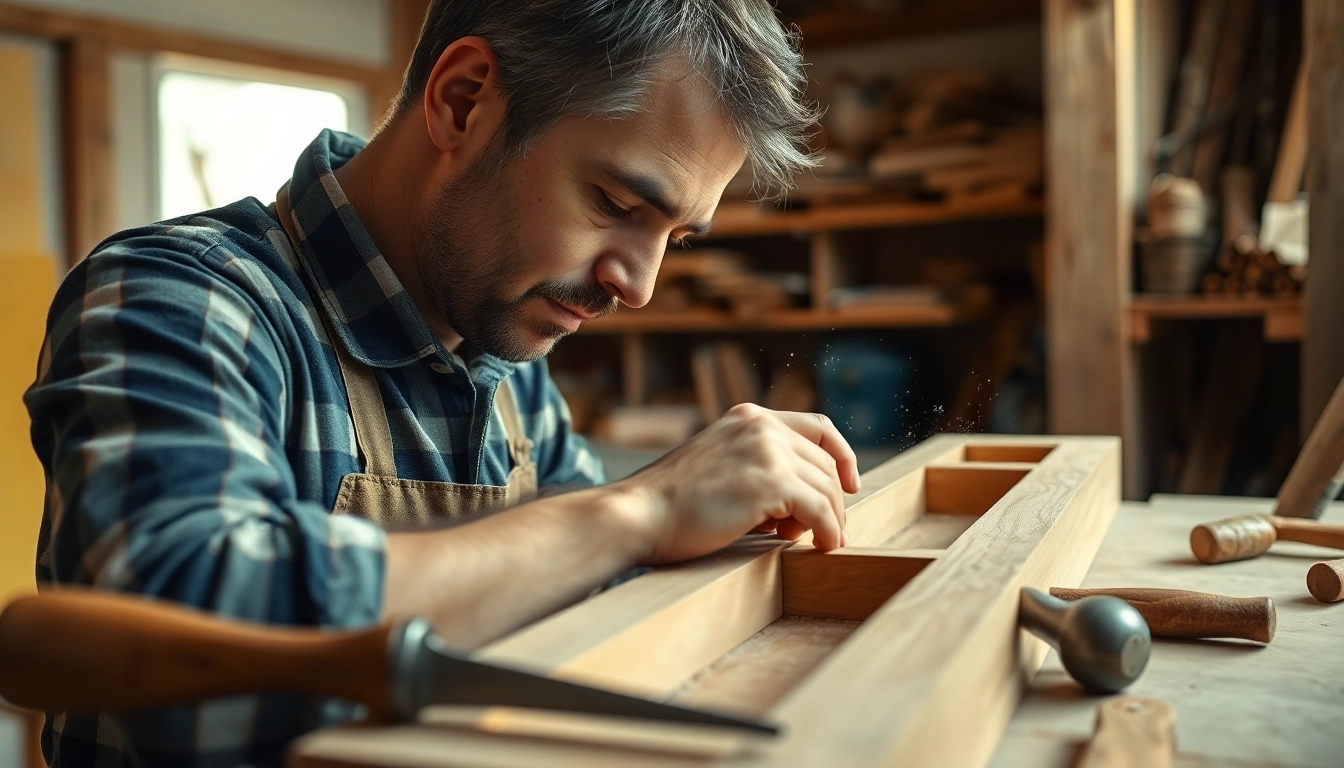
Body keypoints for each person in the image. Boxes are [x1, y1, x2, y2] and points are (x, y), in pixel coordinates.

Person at [24, 1, 858, 765]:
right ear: (464, 100)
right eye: (613, 202)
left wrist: (686, 531)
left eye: (674, 238)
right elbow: (180, 616)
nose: (637, 285)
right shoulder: (181, 296)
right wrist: (641, 508)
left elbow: (584, 607)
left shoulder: (506, 352)